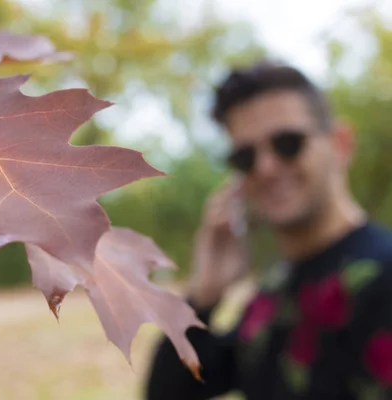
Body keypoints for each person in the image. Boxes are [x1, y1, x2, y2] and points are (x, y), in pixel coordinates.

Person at [144, 60, 392, 400]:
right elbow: (169, 391)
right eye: (245, 157)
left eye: (287, 143)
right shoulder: (269, 298)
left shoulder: (384, 275)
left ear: (340, 144)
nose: (266, 167)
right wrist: (204, 294)